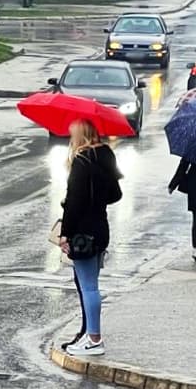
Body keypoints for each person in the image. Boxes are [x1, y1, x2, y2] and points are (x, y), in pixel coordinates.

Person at [58, 118, 124, 357]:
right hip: (100, 226)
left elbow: (74, 202)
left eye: (72, 129)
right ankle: (88, 334)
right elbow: (116, 194)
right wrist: (97, 199)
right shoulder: (106, 154)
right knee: (89, 284)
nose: (69, 132)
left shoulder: (81, 161)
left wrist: (65, 233)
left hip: (83, 231)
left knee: (88, 286)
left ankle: (94, 338)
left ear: (80, 132)